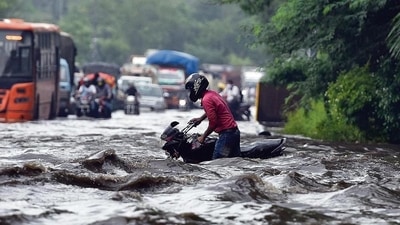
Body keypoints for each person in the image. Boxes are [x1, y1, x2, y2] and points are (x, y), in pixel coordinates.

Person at [185, 73, 241, 159]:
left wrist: (203, 137)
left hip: (226, 134)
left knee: (217, 163)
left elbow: (213, 123)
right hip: (234, 132)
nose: (190, 92)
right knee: (235, 161)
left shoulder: (206, 100)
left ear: (195, 87)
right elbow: (215, 111)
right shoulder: (211, 94)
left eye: (190, 89)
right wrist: (200, 119)